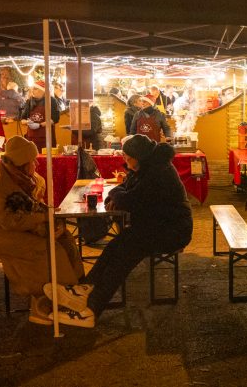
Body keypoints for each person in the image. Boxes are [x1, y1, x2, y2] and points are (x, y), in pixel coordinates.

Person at [44, 134, 193, 328]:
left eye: (128, 158)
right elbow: (124, 189)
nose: (125, 161)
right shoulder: (147, 167)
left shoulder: (158, 172)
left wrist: (116, 194)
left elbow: (128, 198)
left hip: (173, 232)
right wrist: (117, 195)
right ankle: (85, 289)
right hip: (154, 227)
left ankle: (90, 311)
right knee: (116, 245)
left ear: (139, 157)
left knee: (124, 255)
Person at [0, 136, 84, 325]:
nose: (36, 164)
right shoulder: (0, 188)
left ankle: (73, 288)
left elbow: (36, 207)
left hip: (23, 226)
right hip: (1, 233)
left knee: (65, 239)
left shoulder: (29, 179)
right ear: (22, 163)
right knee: (47, 250)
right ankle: (46, 300)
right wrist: (43, 221)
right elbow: (9, 221)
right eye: (32, 161)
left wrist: (52, 221)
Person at [18, 80, 60, 149]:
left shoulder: (51, 101)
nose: (32, 91)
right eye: (32, 89)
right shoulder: (29, 101)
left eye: (35, 89)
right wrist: (28, 122)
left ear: (43, 90)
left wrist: (40, 125)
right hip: (31, 138)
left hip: (46, 138)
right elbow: (22, 119)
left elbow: (55, 119)